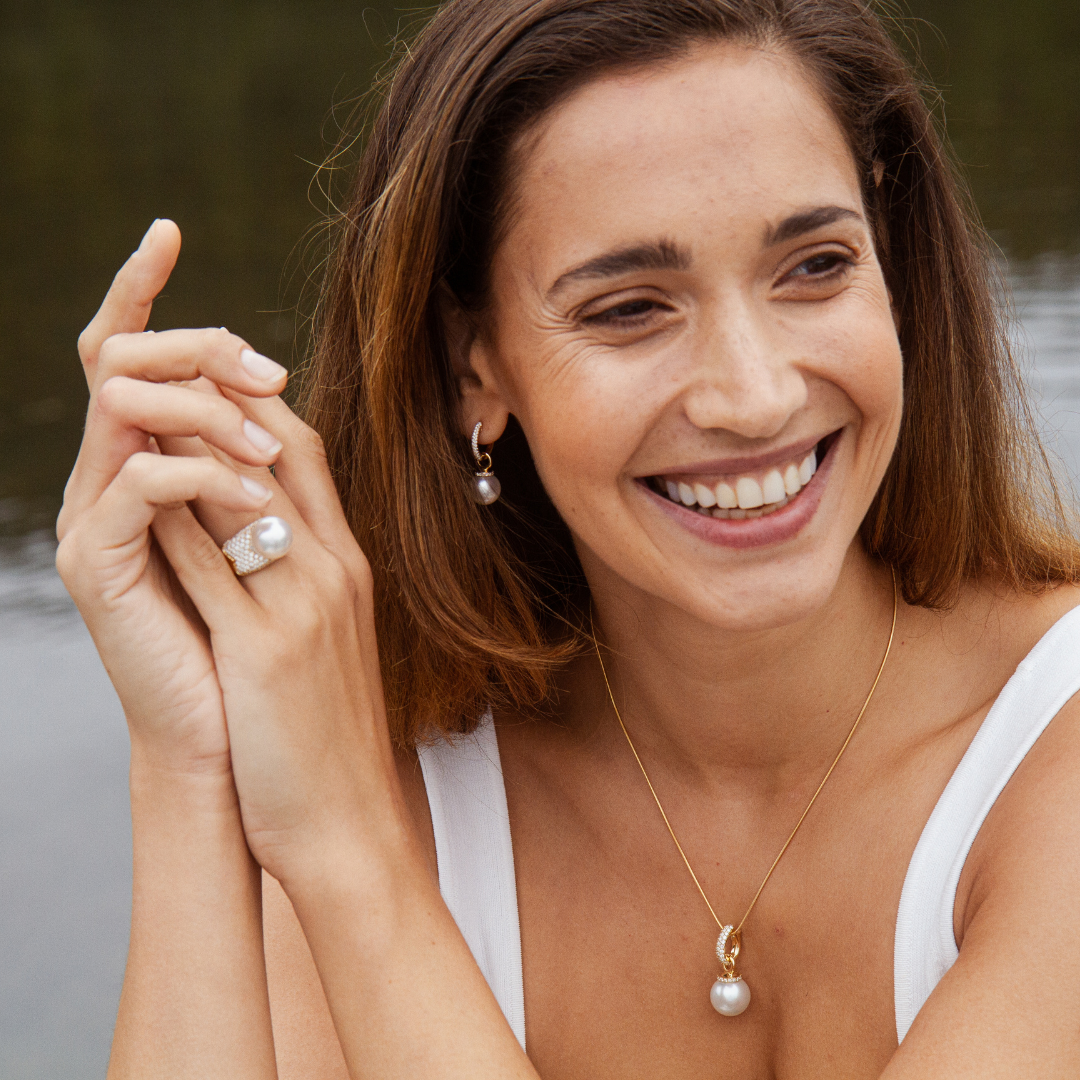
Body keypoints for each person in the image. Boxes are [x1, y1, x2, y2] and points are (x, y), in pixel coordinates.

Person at [56, 0, 1080, 1076]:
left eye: (816, 266)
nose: (755, 393)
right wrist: (190, 762)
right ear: (471, 366)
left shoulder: (1053, 752)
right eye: (631, 308)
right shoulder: (373, 782)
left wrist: (354, 863)